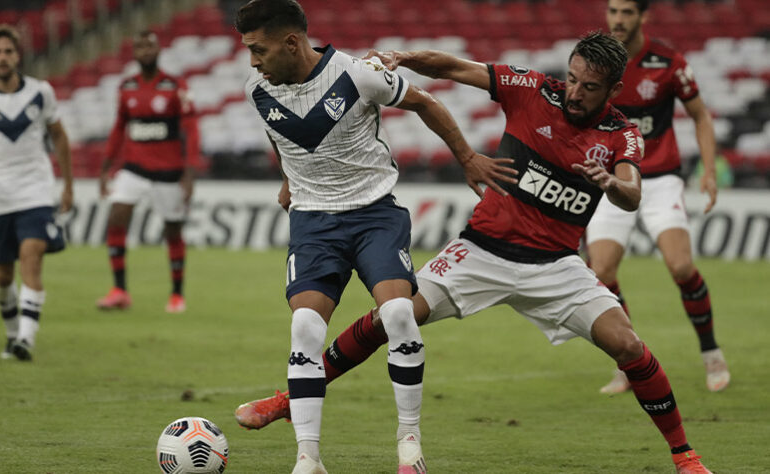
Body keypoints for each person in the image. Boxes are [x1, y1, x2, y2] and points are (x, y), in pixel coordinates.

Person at [235, 32, 714, 474]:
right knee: (393, 316)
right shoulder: (530, 88)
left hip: (556, 266)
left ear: (612, 90)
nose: (574, 91)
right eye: (572, 78)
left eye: (589, 86)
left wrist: (611, 182)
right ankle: (288, 400)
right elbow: (452, 68)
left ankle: (685, 455)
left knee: (628, 345)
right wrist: (404, 58)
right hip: (479, 252)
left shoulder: (620, 133)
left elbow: (632, 192)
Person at [234, 1, 517, 473]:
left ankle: (410, 447)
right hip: (313, 223)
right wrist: (289, 179)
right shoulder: (256, 89)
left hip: (374, 217)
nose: (253, 62)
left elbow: (425, 102)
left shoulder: (357, 75)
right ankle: (308, 459)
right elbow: (278, 134)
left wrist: (467, 156)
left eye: (258, 50)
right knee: (304, 328)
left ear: (291, 42)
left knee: (400, 312)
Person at [591, 0, 729, 394]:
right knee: (600, 274)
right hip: (613, 179)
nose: (618, 19)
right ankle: (630, 363)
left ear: (642, 16)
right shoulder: (596, 62)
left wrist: (708, 169)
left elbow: (700, 116)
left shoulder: (668, 63)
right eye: (613, 11)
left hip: (660, 178)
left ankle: (711, 352)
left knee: (681, 267)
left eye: (627, 12)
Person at [0, 24, 74, 361]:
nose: (3, 57)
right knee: (3, 275)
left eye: (8, 51)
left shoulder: (40, 93)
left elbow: (60, 137)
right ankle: (11, 335)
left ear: (18, 55)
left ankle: (25, 339)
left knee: (31, 258)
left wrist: (67, 184)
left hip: (35, 191)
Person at [96, 31, 201, 314]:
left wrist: (189, 173)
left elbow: (191, 130)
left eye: (149, 46)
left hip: (168, 172)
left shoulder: (175, 86)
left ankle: (177, 294)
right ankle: (119, 290)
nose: (144, 50)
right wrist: (106, 168)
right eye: (139, 46)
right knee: (117, 216)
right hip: (133, 168)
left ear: (158, 50)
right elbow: (119, 129)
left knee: (172, 232)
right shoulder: (126, 86)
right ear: (134, 52)